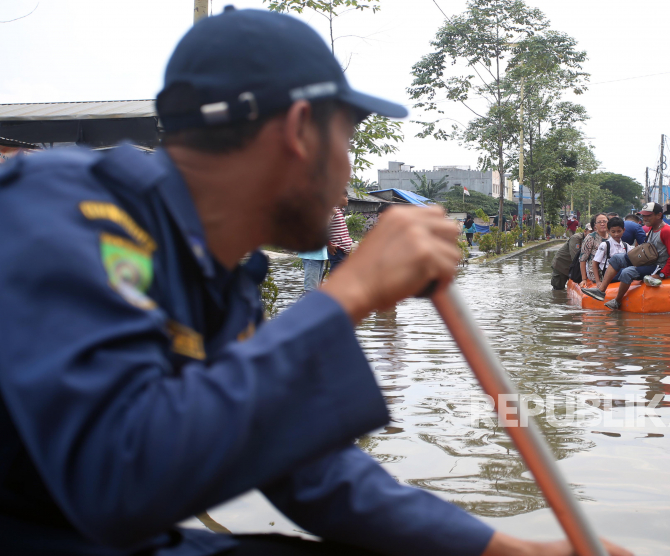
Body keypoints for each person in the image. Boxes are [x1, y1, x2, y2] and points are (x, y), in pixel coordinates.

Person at [0, 9, 630, 556]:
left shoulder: (222, 277)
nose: (350, 168)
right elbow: (116, 476)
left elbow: (310, 469)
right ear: (301, 130)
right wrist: (349, 293)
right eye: (348, 139)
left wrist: (509, 549)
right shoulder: (66, 212)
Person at [582, 203, 670, 310]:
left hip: (657, 266)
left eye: (648, 215)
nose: (645, 218)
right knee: (617, 258)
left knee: (627, 272)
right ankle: (601, 290)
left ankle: (617, 301)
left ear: (659, 215)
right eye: (644, 216)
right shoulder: (652, 228)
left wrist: (661, 275)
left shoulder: (667, 231)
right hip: (647, 260)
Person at [589, 217, 630, 288]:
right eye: (613, 232)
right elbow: (595, 263)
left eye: (619, 231)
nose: (616, 234)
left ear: (623, 230)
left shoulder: (626, 246)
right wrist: (598, 281)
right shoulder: (605, 245)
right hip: (609, 275)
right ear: (608, 231)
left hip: (622, 273)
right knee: (626, 271)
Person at [579, 213, 609, 285]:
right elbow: (583, 259)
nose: (602, 224)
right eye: (599, 222)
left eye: (605, 221)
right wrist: (584, 279)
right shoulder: (590, 238)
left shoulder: (612, 237)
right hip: (595, 273)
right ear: (595, 225)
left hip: (609, 271)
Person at [327, 187, 353, 274]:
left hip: (343, 250)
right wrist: (329, 244)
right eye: (345, 196)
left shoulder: (339, 211)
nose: (347, 199)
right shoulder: (333, 211)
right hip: (337, 251)